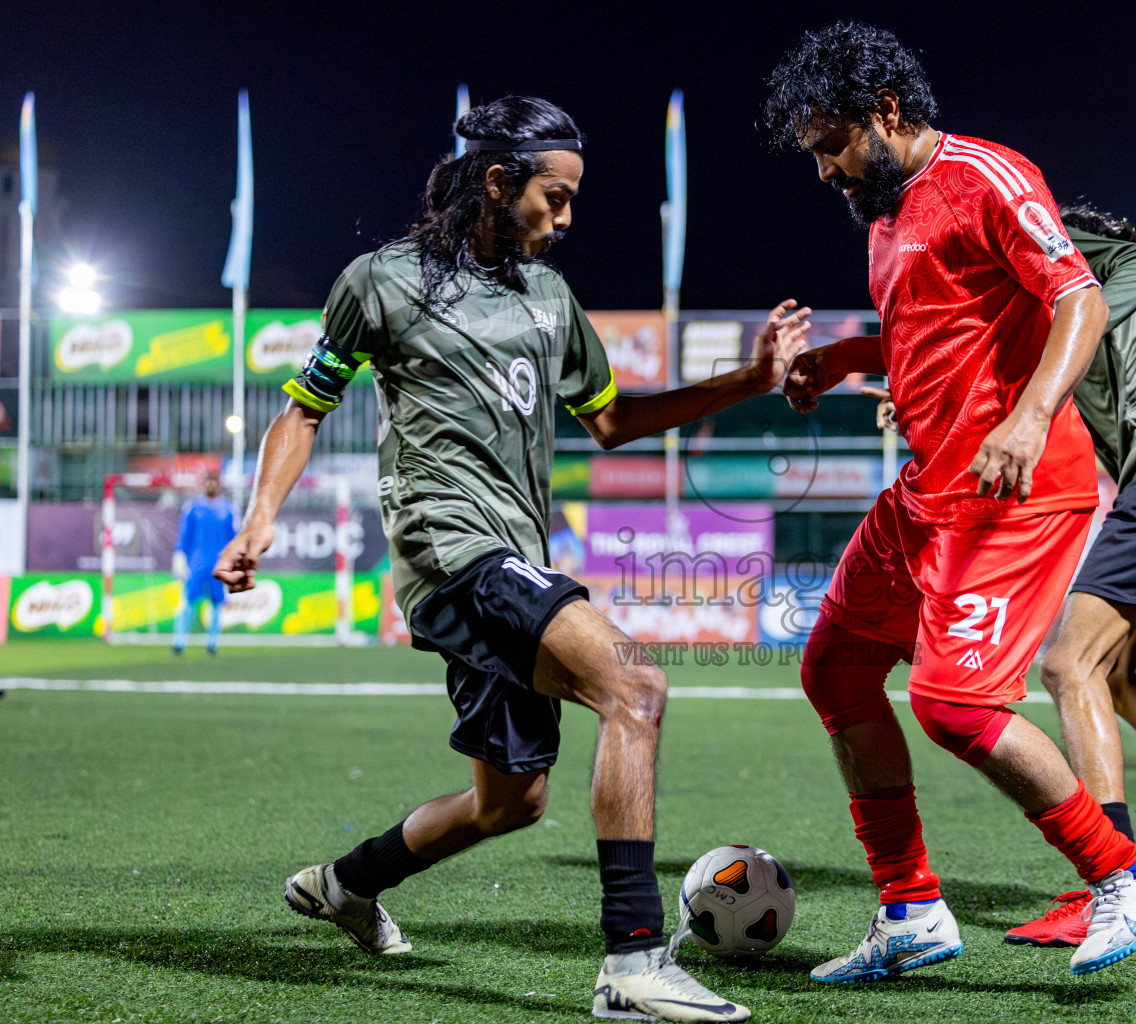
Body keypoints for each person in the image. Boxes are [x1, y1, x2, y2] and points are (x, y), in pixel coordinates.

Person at [215, 95, 813, 1024]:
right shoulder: (382, 281)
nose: (567, 217)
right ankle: (633, 961)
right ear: (497, 182)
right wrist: (258, 523)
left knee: (512, 803)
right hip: (446, 542)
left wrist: (747, 380)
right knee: (636, 687)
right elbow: (304, 408)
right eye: (555, 196)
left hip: (514, 550)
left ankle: (343, 884)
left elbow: (611, 422)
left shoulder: (548, 298)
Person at [765, 23, 1136, 982]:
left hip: (1016, 491)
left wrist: (1031, 417)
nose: (825, 169)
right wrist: (840, 361)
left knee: (953, 704)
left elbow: (1077, 297)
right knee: (835, 670)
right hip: (928, 491)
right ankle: (910, 909)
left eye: (832, 144)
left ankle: (1122, 875)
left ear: (888, 112)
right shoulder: (884, 216)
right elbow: (932, 331)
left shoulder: (988, 175)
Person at [863, 204, 1136, 947]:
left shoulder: (1080, 284)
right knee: (1115, 677)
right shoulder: (1055, 321)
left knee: (1069, 667)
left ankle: (1110, 885)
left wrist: (1088, 310)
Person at [172, 473, 240, 655]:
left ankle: (212, 643)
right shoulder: (192, 507)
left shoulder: (229, 508)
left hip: (219, 564)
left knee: (217, 603)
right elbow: (184, 534)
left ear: (219, 484)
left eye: (214, 481)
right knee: (188, 600)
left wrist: (235, 562)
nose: (211, 484)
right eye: (208, 481)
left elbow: (235, 537)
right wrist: (179, 555)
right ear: (204, 484)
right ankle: (179, 642)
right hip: (196, 563)